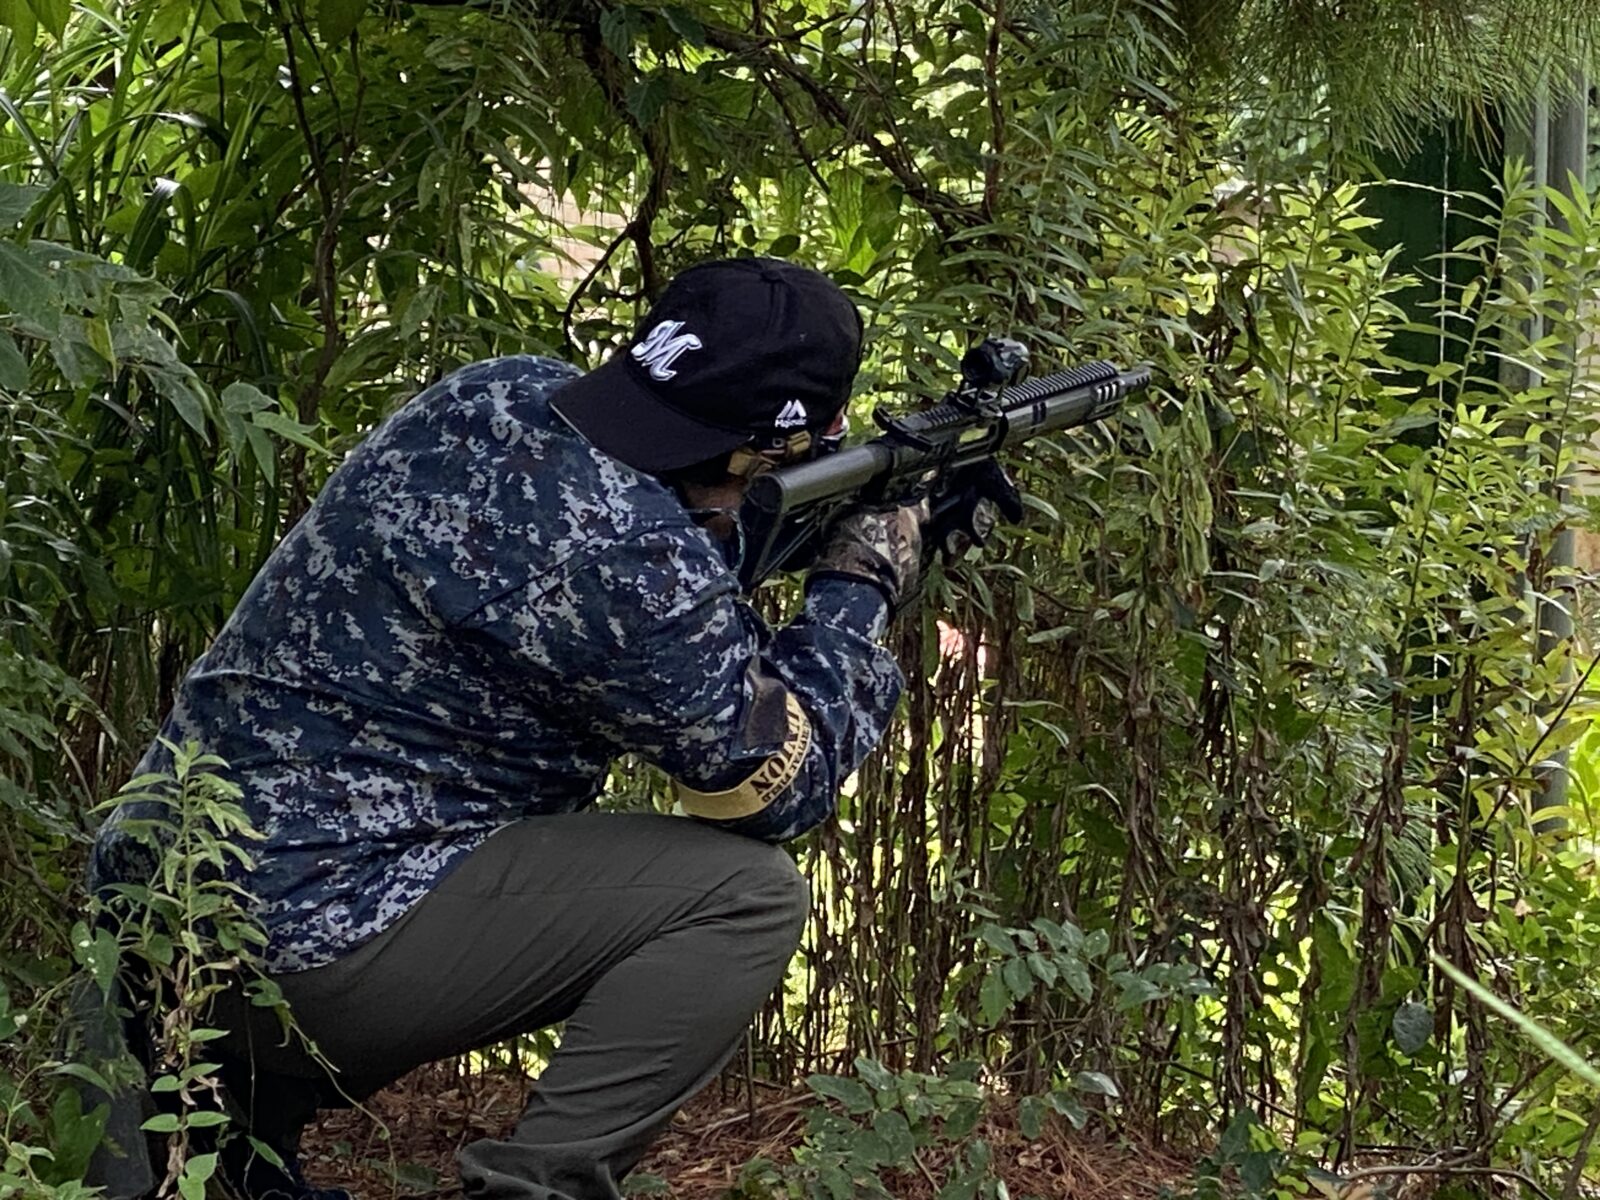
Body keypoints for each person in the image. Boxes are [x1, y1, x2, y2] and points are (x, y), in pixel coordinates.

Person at [89, 257, 924, 1200]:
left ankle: (229, 1162)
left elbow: (650, 549)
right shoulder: (634, 561)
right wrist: (859, 582)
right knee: (745, 897)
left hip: (152, 902)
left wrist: (799, 522)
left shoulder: (495, 394)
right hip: (303, 945)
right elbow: (778, 785)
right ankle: (535, 1188)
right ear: (774, 450)